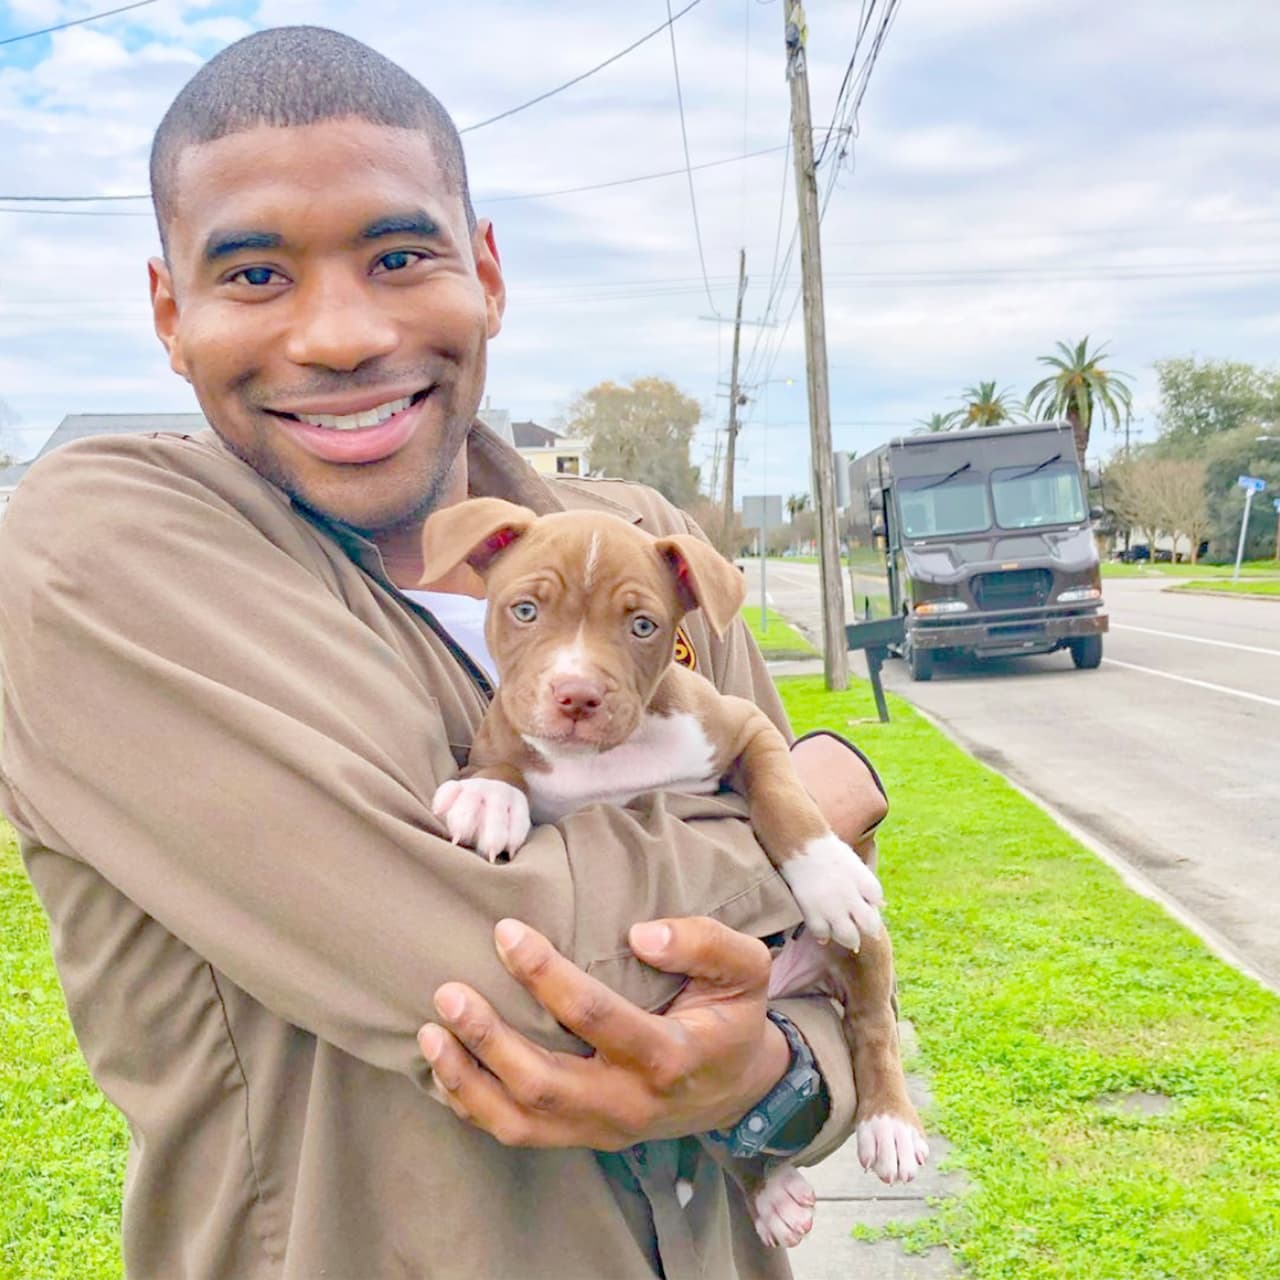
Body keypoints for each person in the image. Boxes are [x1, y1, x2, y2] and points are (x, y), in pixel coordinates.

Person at [0, 26, 889, 1280]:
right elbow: (522, 979)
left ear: (485, 274)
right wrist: (812, 794)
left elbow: (833, 980)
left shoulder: (650, 545)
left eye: (399, 253)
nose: (341, 335)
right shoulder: (95, 556)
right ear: (169, 313)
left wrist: (774, 1076)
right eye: (253, 274)